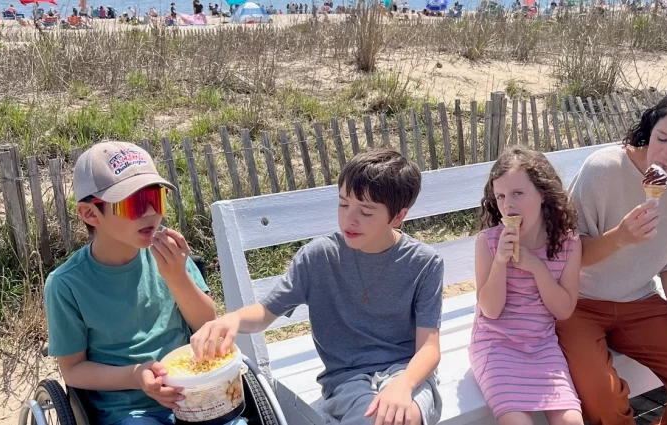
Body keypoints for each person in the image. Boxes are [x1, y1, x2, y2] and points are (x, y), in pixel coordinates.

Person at [190, 148, 444, 425]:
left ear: (397, 217)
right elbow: (265, 313)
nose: (350, 219)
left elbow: (429, 348)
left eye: (366, 211)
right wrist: (232, 319)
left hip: (409, 374)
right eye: (343, 204)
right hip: (347, 378)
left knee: (403, 416)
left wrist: (405, 384)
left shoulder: (425, 263)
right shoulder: (319, 257)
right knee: (374, 419)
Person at [556, 86, 667, 425]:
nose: (665, 154)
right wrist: (620, 238)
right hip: (576, 304)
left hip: (639, 302)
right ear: (650, 128)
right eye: (661, 137)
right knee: (602, 400)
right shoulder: (604, 168)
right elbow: (564, 254)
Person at [43, 142, 247, 425]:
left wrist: (177, 277)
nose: (150, 212)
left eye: (157, 198)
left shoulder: (169, 255)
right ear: (91, 214)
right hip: (129, 410)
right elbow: (74, 369)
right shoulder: (67, 284)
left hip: (196, 391)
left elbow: (205, 323)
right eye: (135, 203)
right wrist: (135, 376)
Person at [469, 147, 583, 425]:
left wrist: (536, 267)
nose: (508, 205)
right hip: (496, 346)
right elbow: (491, 311)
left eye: (518, 194)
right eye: (501, 196)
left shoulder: (569, 244)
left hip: (542, 346)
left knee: (571, 421)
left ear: (542, 194)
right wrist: (500, 263)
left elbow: (564, 310)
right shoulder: (489, 242)